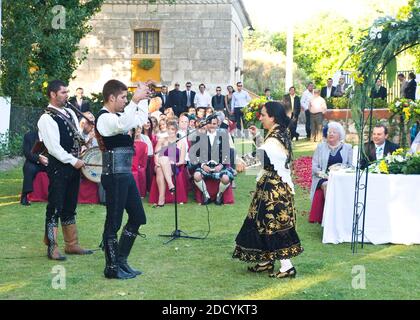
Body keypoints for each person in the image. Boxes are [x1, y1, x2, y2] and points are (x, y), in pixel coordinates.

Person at [233, 101, 303, 278]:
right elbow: (268, 155)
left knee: (274, 225)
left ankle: (287, 266)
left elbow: (262, 157)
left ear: (272, 117)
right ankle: (266, 260)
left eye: (263, 115)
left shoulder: (274, 137)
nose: (261, 118)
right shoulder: (278, 132)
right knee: (260, 222)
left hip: (274, 189)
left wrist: (240, 162)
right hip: (271, 185)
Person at [95, 79, 150, 279]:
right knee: (114, 222)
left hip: (124, 174)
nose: (126, 101)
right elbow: (122, 124)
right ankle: (111, 267)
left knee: (138, 217)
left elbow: (139, 119)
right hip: (113, 175)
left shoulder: (120, 114)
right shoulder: (103, 119)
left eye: (127, 97)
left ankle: (121, 260)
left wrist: (142, 96)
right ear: (111, 98)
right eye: (123, 98)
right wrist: (135, 101)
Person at [37, 79, 93, 261]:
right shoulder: (46, 118)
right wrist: (73, 160)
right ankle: (52, 247)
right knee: (55, 206)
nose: (66, 95)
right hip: (59, 168)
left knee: (70, 205)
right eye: (63, 92)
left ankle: (72, 244)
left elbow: (76, 136)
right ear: (53, 94)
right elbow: (53, 148)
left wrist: (85, 137)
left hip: (73, 166)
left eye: (67, 92)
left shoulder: (69, 111)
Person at [191, 117, 234, 205]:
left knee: (226, 179)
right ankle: (206, 195)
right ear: (206, 124)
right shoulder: (199, 137)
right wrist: (203, 165)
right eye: (210, 124)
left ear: (218, 125)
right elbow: (196, 154)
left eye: (214, 124)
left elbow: (227, 153)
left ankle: (219, 195)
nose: (212, 126)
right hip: (205, 166)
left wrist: (220, 166)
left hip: (219, 166)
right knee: (196, 176)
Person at [310, 122, 352, 202]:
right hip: (322, 178)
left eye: (334, 132)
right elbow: (314, 167)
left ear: (340, 135)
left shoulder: (348, 148)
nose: (331, 134)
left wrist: (341, 172)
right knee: (327, 185)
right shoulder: (320, 147)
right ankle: (328, 212)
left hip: (341, 177)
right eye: (329, 132)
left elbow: (350, 166)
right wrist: (324, 175)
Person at [153, 120, 186, 207]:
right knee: (162, 161)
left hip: (174, 166)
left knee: (162, 165)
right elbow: (156, 155)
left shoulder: (181, 142)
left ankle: (161, 200)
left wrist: (172, 162)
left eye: (172, 129)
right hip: (159, 164)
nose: (170, 131)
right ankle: (170, 184)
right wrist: (157, 162)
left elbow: (182, 161)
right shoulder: (162, 140)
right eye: (168, 128)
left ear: (176, 130)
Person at [20, 130, 48, 206]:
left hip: (49, 162)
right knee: (29, 168)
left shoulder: (52, 135)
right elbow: (27, 153)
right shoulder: (29, 136)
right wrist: (38, 158)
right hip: (34, 161)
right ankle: (25, 195)